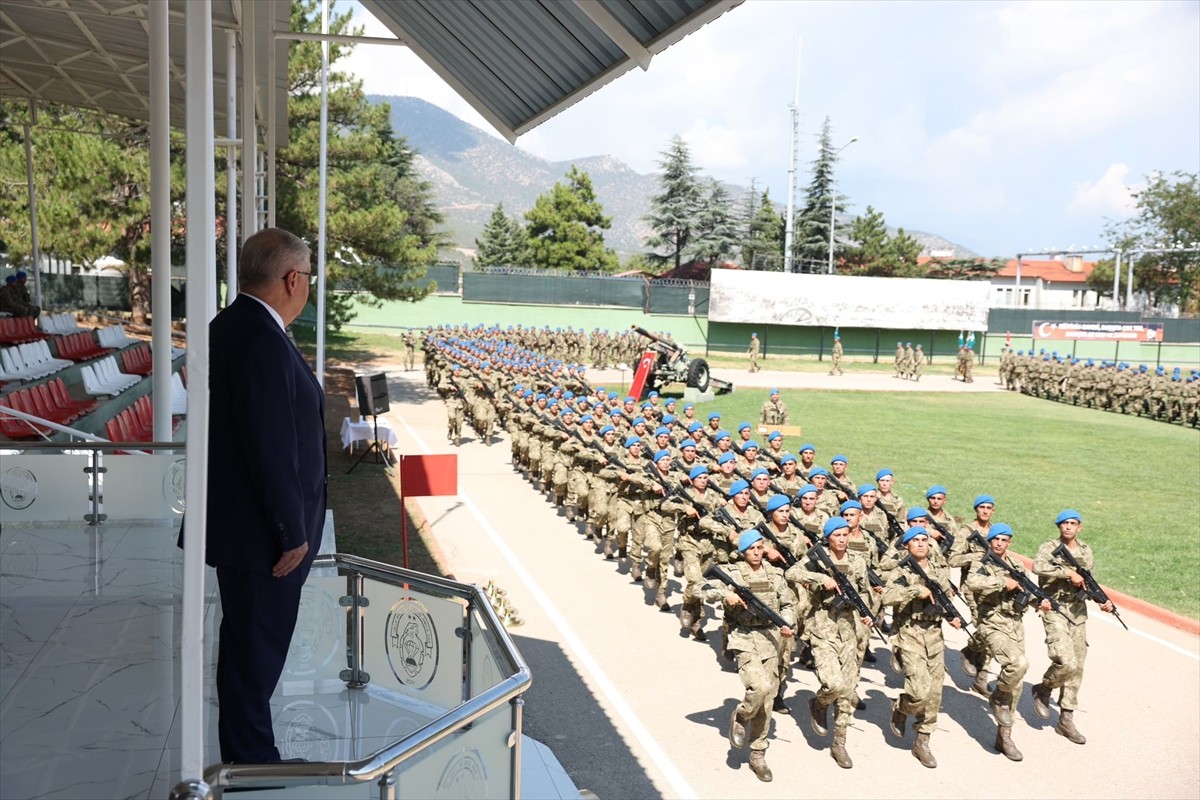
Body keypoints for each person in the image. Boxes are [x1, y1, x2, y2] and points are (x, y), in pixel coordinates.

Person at [201, 227, 327, 763]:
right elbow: (268, 443)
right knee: (254, 658)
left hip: (248, 528)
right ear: (292, 278)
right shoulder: (257, 335)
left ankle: (251, 758)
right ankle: (252, 769)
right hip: (263, 538)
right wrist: (290, 532)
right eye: (309, 279)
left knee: (248, 655)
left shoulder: (239, 324)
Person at [705, 530, 796, 783]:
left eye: (760, 547)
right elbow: (701, 588)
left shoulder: (775, 575)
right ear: (743, 551)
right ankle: (742, 715)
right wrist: (726, 594)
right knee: (759, 687)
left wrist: (788, 623)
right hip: (743, 637)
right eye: (752, 548)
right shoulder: (733, 574)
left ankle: (758, 753)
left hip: (770, 639)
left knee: (767, 700)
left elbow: (788, 605)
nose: (756, 552)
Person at [787, 516, 873, 769]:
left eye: (846, 534)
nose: (843, 539)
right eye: (837, 535)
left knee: (847, 689)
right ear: (828, 537)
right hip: (823, 628)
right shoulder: (817, 557)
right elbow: (791, 572)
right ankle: (819, 703)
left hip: (848, 629)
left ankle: (840, 743)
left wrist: (866, 614)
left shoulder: (857, 561)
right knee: (833, 684)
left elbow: (863, 590)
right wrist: (819, 579)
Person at [964, 522, 1049, 761]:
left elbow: (1026, 591)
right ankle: (997, 696)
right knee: (1019, 664)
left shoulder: (1016, 565)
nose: (1000, 543)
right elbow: (972, 584)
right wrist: (1002, 582)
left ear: (1010, 542)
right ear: (990, 541)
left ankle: (1005, 736)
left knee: (1017, 683)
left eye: (1004, 540)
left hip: (1014, 626)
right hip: (992, 623)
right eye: (996, 539)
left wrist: (1038, 601)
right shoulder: (981, 564)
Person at [1031, 509, 1114, 745]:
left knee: (1077, 667)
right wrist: (1066, 572)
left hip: (1078, 613)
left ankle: (1066, 718)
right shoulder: (1049, 547)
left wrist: (1103, 601)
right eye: (1064, 523)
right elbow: (1038, 567)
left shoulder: (1086, 550)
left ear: (1080, 528)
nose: (1068, 527)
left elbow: (1090, 581)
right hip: (1055, 609)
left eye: (1073, 523)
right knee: (1066, 661)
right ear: (1059, 526)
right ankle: (1043, 689)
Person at [883, 526, 962, 769]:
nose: (920, 544)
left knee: (935, 693)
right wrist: (915, 590)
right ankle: (900, 707)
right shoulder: (899, 571)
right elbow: (886, 597)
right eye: (914, 540)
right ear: (906, 545)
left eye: (923, 540)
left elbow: (945, 598)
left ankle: (923, 740)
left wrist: (952, 617)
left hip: (935, 636)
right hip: (909, 634)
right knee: (919, 691)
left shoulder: (939, 571)